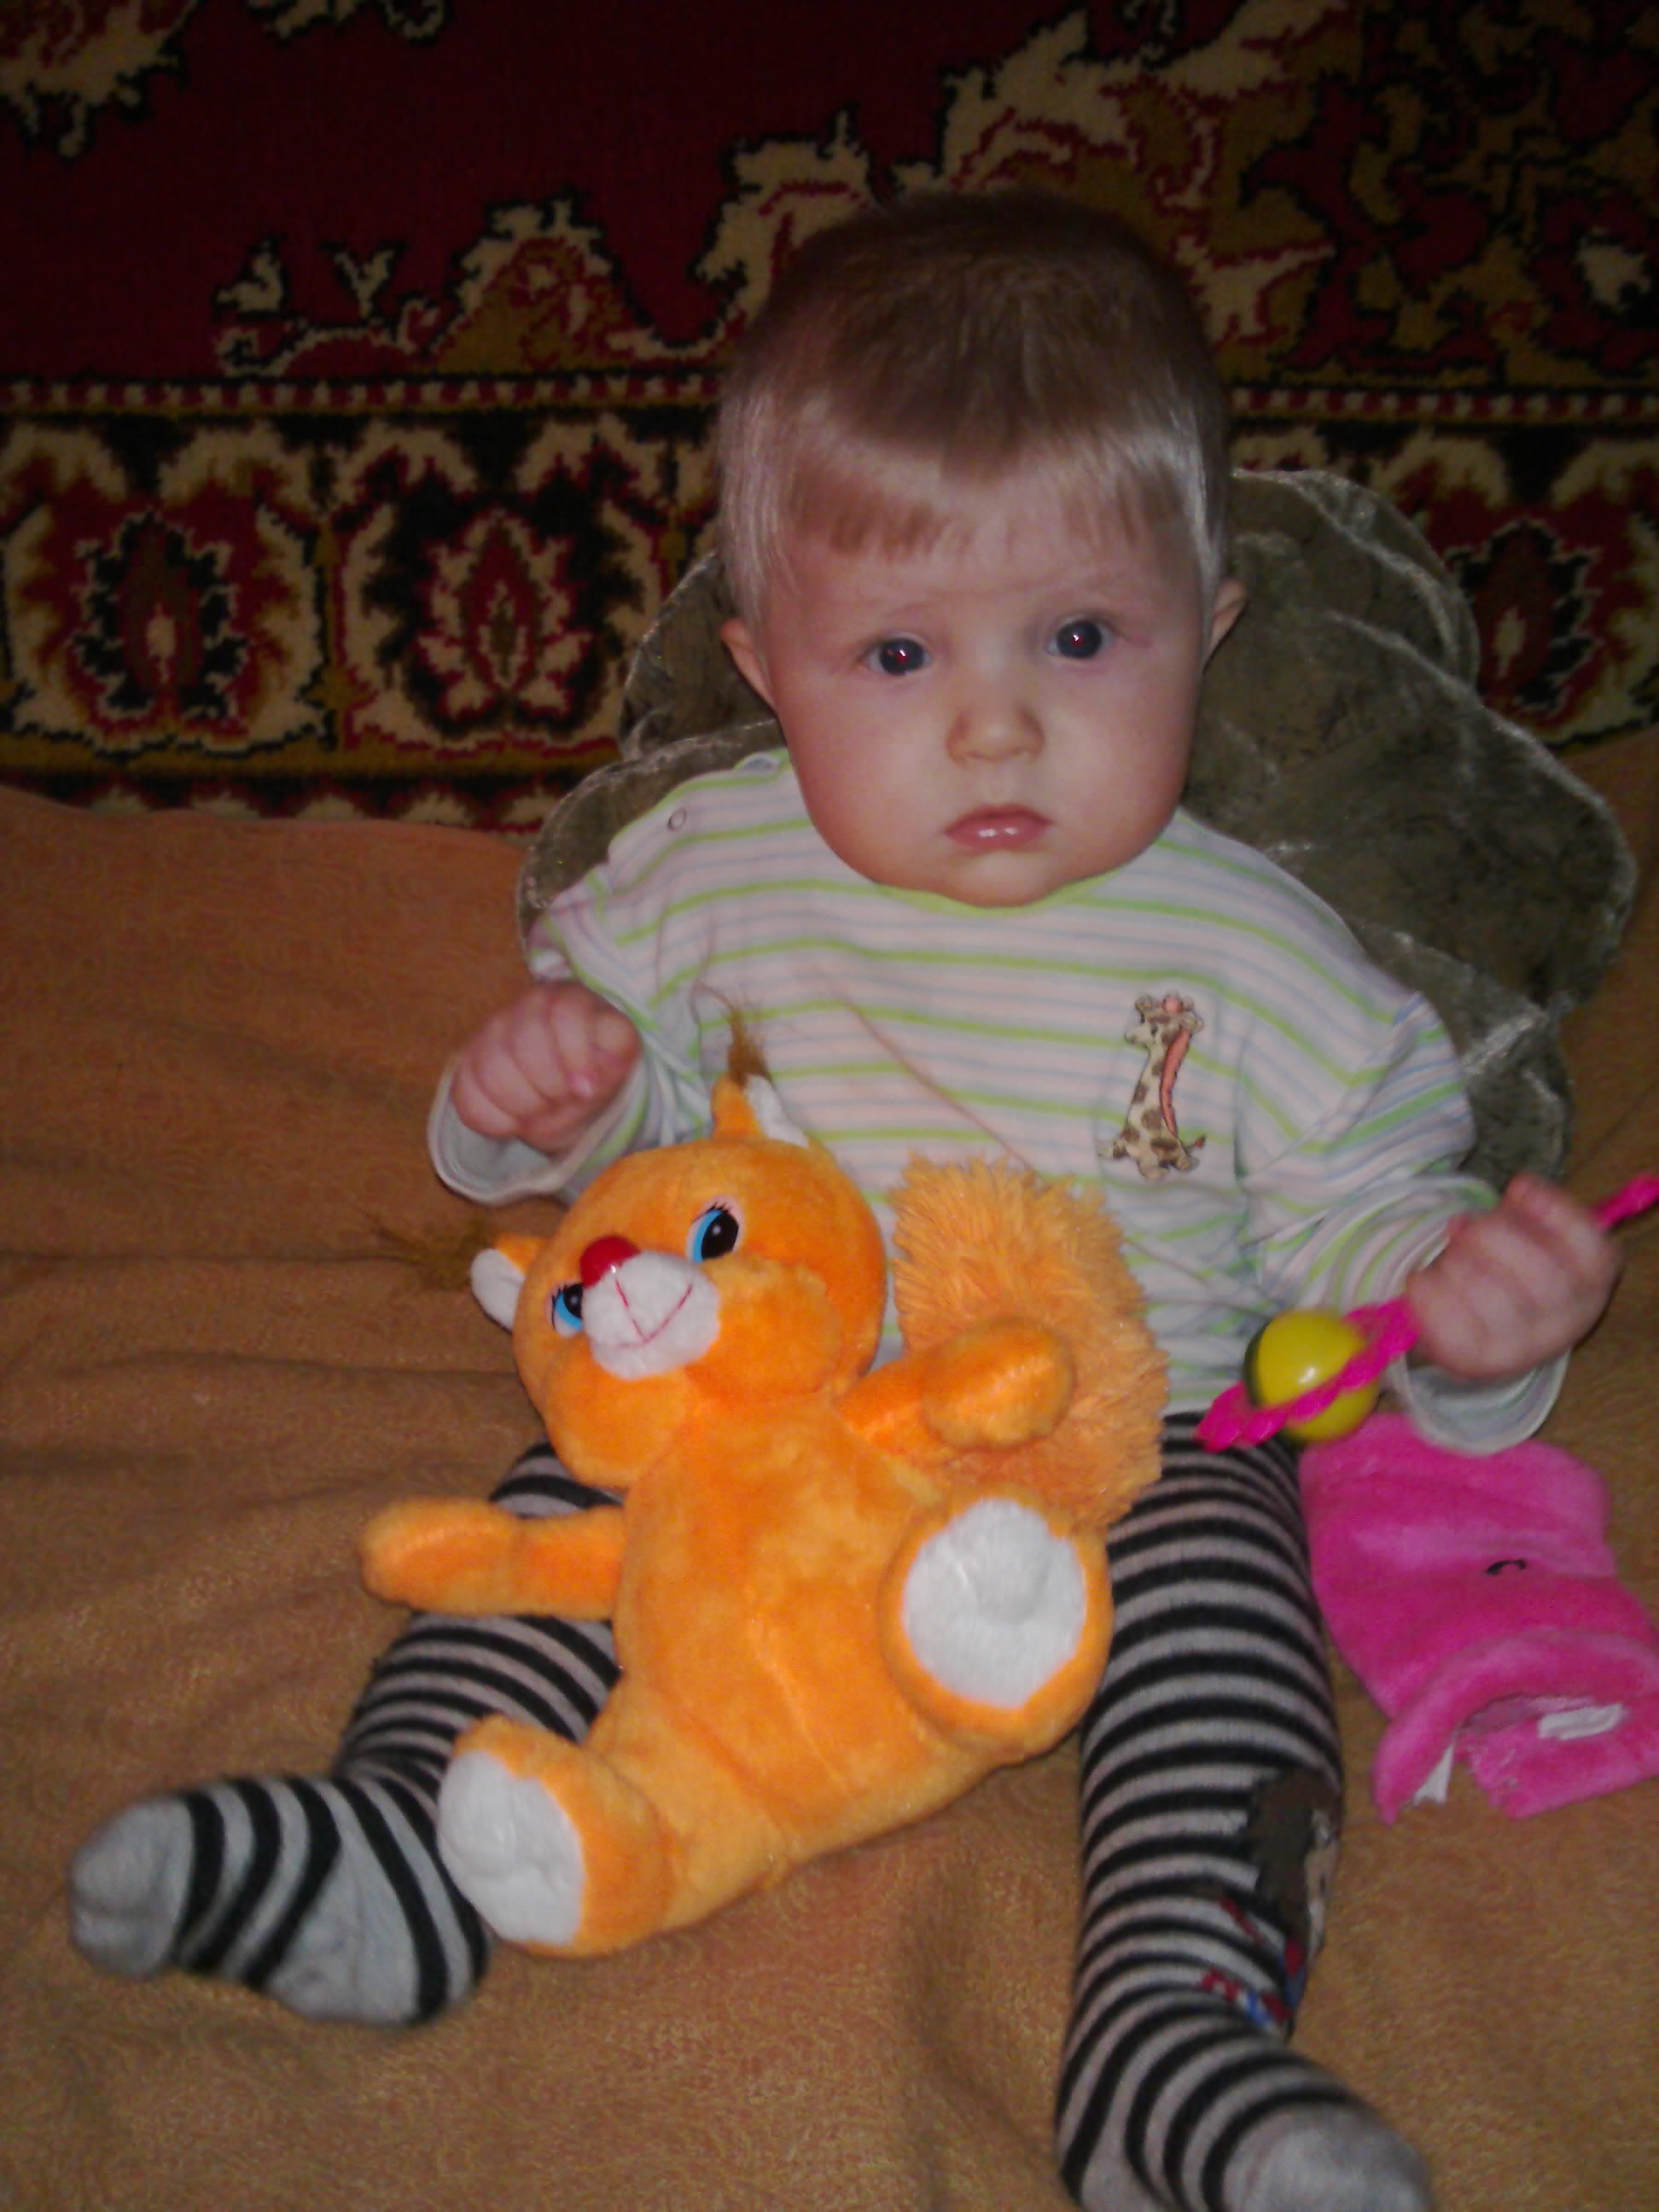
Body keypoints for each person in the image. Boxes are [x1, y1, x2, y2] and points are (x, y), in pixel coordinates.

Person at [70, 191, 1618, 2212]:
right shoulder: (708, 874)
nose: (996, 723)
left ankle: (1177, 2040)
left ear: (1209, 624)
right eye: (895, 653)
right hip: (756, 1418)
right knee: (555, 1533)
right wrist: (536, 1100)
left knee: (1235, 1656)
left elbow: (1364, 1234)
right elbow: (611, 1136)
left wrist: (1467, 1317)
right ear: (767, 669)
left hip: (1129, 1445)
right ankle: (396, 1849)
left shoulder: (1263, 958)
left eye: (1082, 638)